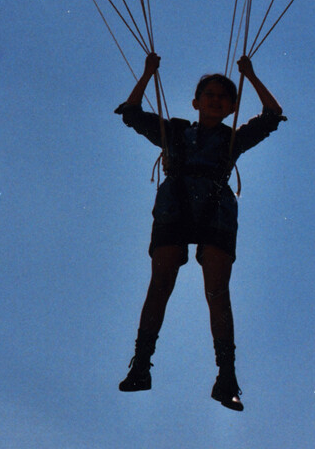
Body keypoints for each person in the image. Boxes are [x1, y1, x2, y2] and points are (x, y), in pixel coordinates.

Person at [115, 52, 285, 411]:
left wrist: (250, 75)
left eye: (223, 97)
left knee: (217, 291)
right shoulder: (174, 131)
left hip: (215, 207)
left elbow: (272, 116)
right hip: (175, 203)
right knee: (160, 282)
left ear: (231, 108)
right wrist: (147, 73)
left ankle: (227, 378)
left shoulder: (233, 139)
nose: (215, 99)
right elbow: (131, 112)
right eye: (208, 94)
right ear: (195, 102)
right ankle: (141, 365)